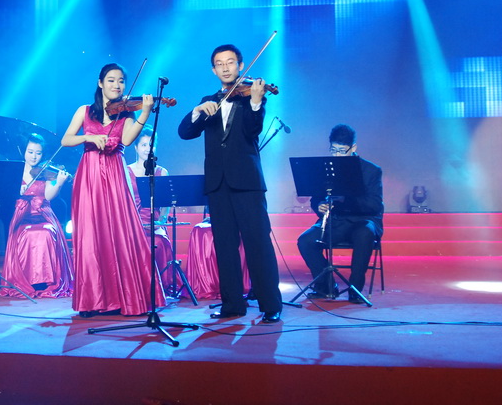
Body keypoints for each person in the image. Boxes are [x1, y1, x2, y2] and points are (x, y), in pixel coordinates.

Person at [177, 44, 283, 323]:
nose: (225, 67)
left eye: (230, 62)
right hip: (217, 183)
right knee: (224, 245)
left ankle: (271, 304)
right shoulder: (209, 100)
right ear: (213, 70)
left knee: (257, 242)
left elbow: (252, 130)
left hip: (247, 182)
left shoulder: (251, 96)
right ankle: (232, 304)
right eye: (220, 64)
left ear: (240, 65)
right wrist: (197, 111)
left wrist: (256, 102)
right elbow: (185, 133)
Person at [62, 63, 166, 317]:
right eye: (111, 80)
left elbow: (127, 140)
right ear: (100, 83)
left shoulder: (126, 113)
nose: (116, 85)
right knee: (90, 235)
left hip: (115, 173)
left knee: (120, 231)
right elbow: (66, 140)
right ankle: (91, 300)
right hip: (89, 175)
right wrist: (88, 137)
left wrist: (145, 112)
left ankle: (124, 297)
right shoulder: (85, 111)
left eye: (121, 81)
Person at [297, 124, 384, 303]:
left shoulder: (371, 170)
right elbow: (316, 197)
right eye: (333, 150)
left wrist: (346, 199)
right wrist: (319, 205)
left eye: (342, 151)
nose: (337, 156)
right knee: (305, 241)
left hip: (363, 220)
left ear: (353, 148)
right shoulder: (327, 167)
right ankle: (326, 286)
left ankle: (355, 289)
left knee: (364, 234)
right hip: (336, 220)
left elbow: (374, 205)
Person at [0, 133, 74, 298]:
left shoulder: (46, 171)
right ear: (23, 151)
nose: (33, 156)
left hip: (43, 214)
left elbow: (48, 196)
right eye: (30, 152)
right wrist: (15, 191)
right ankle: (28, 279)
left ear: (42, 154)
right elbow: (3, 194)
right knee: (27, 233)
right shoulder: (15, 171)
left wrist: (59, 183)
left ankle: (46, 280)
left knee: (46, 232)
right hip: (22, 215)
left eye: (38, 153)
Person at [126, 125, 176, 292]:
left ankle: (160, 286)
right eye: (143, 145)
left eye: (151, 144)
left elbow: (166, 204)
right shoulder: (126, 171)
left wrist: (161, 221)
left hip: (155, 224)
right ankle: (135, 287)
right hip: (132, 223)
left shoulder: (161, 172)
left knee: (159, 243)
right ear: (136, 147)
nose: (148, 148)